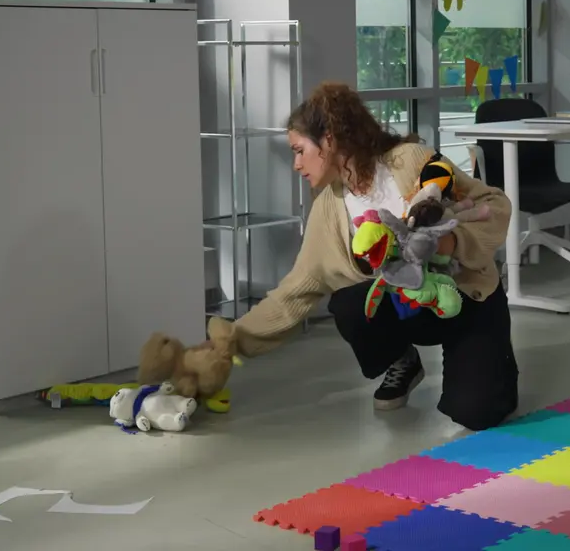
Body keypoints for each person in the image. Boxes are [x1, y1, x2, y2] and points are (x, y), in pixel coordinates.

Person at [213, 82, 518, 430]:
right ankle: (402, 360)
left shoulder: (409, 162)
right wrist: (227, 343)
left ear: (328, 140)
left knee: (476, 413)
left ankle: (496, 359)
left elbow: (494, 204)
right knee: (348, 304)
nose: (296, 164)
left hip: (467, 299)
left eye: (299, 150)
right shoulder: (329, 208)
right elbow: (294, 291)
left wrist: (452, 243)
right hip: (412, 304)